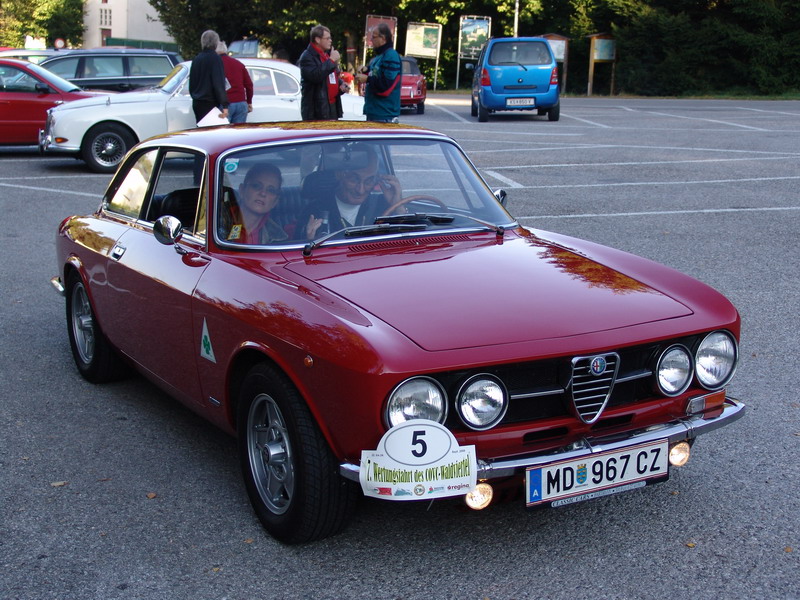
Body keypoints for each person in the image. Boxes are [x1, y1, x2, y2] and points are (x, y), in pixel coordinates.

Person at [302, 144, 403, 240]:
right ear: (339, 174)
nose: (360, 190)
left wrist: (398, 206)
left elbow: (405, 241)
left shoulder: (382, 205)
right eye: (354, 180)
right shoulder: (315, 210)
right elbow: (298, 247)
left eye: (368, 181)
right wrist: (309, 240)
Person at [221, 163, 288, 244]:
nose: (263, 193)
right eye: (256, 186)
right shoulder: (218, 219)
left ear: (275, 201)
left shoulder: (278, 237)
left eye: (271, 190)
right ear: (242, 190)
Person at [297, 25, 349, 120]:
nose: (330, 41)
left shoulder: (326, 55)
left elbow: (330, 77)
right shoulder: (307, 57)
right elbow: (316, 76)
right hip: (317, 110)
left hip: (331, 105)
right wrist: (332, 60)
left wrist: (341, 84)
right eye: (327, 38)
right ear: (317, 39)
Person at [355, 23, 401, 122]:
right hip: (374, 111)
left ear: (383, 38)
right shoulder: (379, 56)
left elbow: (386, 85)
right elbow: (376, 73)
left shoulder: (391, 56)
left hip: (384, 114)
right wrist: (366, 70)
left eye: (374, 37)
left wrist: (367, 79)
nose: (371, 40)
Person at [189, 30, 229, 124]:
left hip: (197, 102)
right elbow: (218, 83)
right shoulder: (215, 58)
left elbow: (192, 82)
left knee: (202, 129)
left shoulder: (197, 58)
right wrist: (225, 104)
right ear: (216, 43)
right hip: (210, 103)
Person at [216, 41, 254, 124]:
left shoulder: (216, 64)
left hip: (225, 104)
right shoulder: (239, 64)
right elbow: (249, 85)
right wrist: (249, 101)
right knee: (238, 131)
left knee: (223, 131)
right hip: (241, 102)